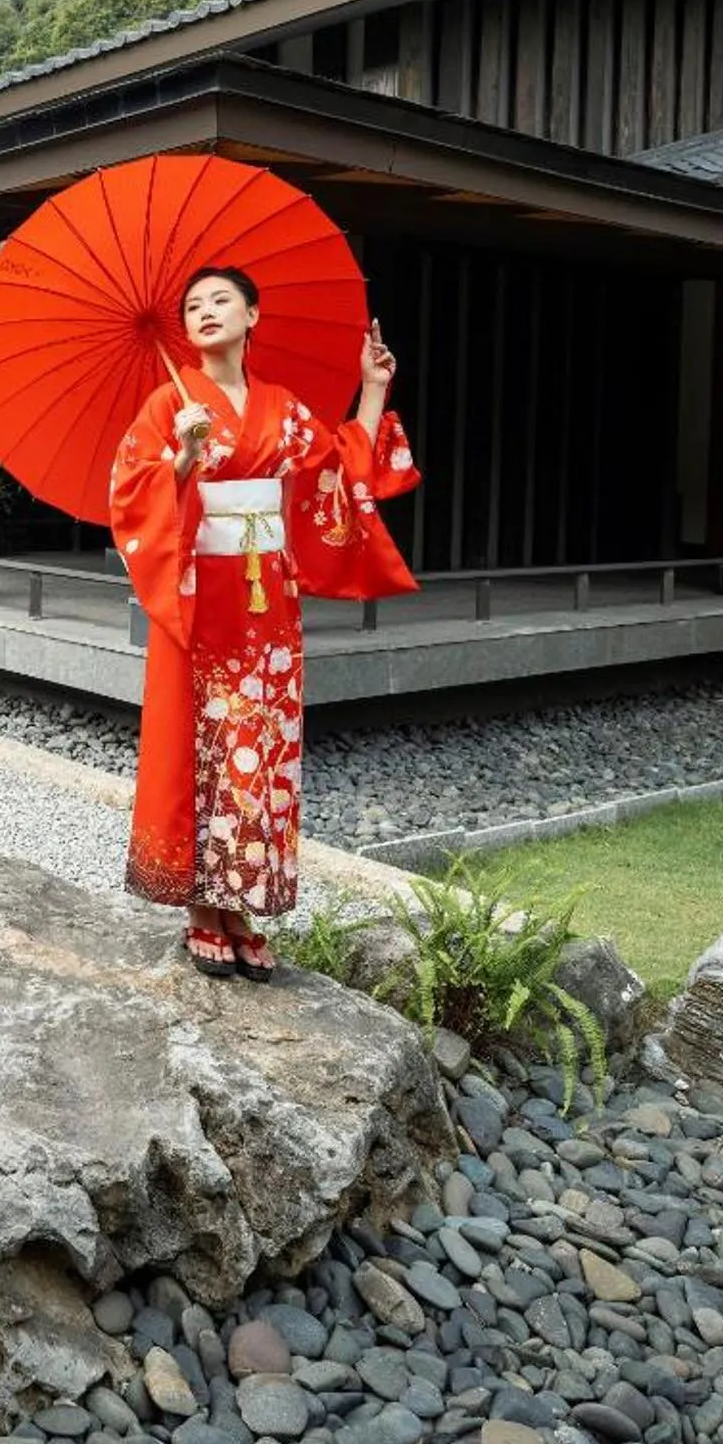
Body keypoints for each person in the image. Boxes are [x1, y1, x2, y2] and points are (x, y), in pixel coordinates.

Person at [108, 267, 421, 978]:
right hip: (200, 597)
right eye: (193, 305)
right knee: (204, 742)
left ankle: (240, 901)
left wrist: (372, 386)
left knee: (260, 746)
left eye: (221, 300)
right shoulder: (169, 402)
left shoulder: (281, 406)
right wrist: (183, 458)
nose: (205, 311)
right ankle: (201, 906)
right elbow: (129, 495)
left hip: (268, 601)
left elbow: (338, 468)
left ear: (252, 314)